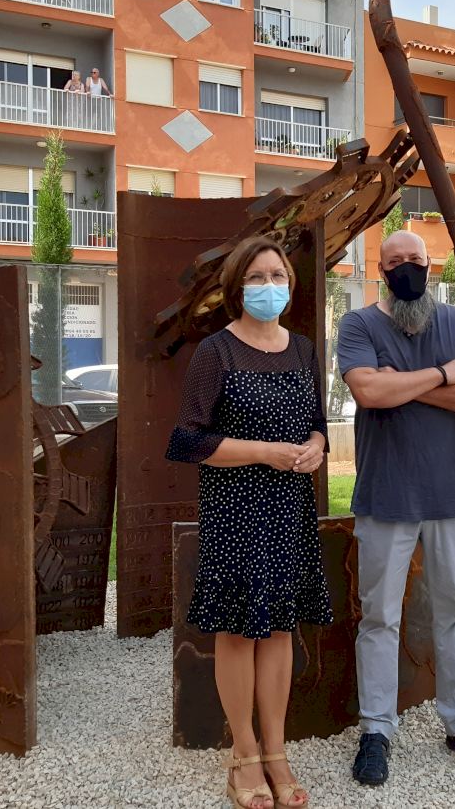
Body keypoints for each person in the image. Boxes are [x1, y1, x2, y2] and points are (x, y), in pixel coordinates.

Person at [336, 230, 455, 787]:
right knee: (379, 617)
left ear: (430, 265)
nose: (406, 266)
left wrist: (403, 385)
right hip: (385, 494)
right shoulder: (359, 325)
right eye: (396, 261)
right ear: (381, 268)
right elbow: (369, 393)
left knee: (454, 610)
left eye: (415, 258)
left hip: (448, 496)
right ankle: (376, 729)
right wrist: (442, 374)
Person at [166, 236, 332, 809]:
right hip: (235, 508)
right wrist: (264, 452)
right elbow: (187, 440)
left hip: (288, 507)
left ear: (290, 283)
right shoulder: (216, 351)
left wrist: (316, 446)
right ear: (237, 288)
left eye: (277, 276)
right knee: (238, 631)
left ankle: (277, 751)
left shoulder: (303, 349)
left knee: (280, 628)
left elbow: (317, 422)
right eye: (257, 278)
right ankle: (244, 754)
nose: (269, 286)